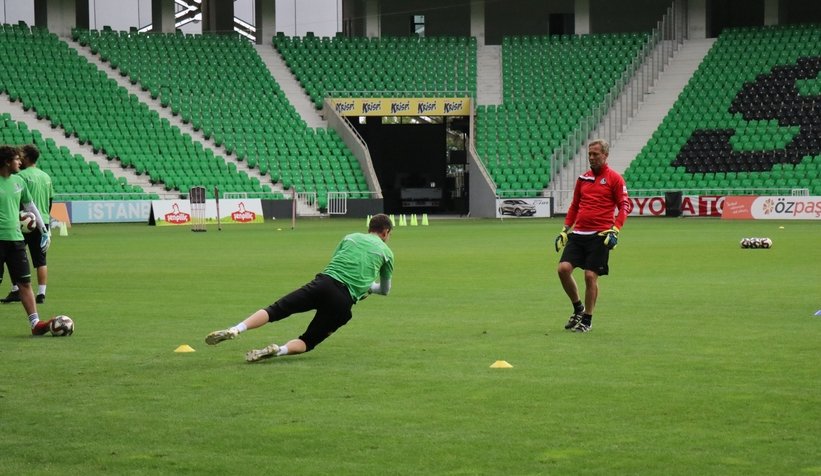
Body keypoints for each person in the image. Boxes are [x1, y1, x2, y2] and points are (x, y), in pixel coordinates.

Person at [205, 213, 395, 362]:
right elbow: (385, 290)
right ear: (386, 232)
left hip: (323, 283)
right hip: (342, 300)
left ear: (369, 228)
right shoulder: (387, 253)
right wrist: (369, 288)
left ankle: (236, 329)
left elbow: (337, 261)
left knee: (275, 310)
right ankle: (278, 350)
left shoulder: (350, 238)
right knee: (308, 341)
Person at [554, 139, 629, 333]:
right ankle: (578, 308)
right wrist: (565, 229)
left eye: (596, 154)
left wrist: (615, 230)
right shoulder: (583, 179)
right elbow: (574, 206)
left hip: (600, 235)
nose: (592, 157)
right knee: (563, 269)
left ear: (605, 155)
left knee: (589, 276)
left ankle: (587, 319)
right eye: (590, 154)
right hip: (579, 233)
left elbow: (624, 206)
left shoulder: (615, 179)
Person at [0, 145, 52, 335]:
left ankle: (35, 324)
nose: (19, 162)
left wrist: (44, 230)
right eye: (16, 159)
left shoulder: (19, 181)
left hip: (16, 239)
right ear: (7, 162)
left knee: (24, 283)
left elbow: (30, 206)